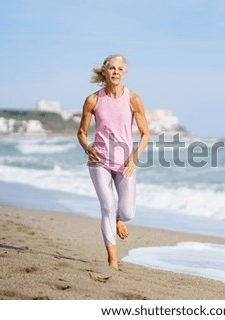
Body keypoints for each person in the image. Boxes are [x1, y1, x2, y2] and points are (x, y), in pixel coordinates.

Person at [77, 54, 150, 269]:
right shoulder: (93, 99)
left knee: (127, 212)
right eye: (112, 68)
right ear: (105, 71)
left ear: (124, 72)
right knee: (107, 206)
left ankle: (117, 218)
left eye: (120, 69)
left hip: (125, 162)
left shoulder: (133, 98)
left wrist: (134, 160)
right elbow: (81, 132)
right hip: (99, 160)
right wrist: (88, 148)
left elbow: (146, 134)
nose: (116, 72)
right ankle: (112, 260)